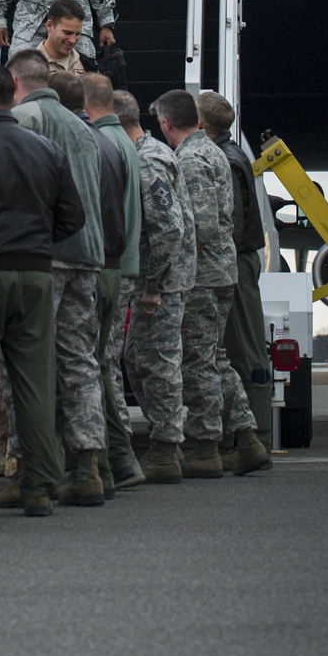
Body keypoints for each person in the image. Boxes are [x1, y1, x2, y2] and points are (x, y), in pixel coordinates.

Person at [0, 65, 84, 518]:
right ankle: (39, 485)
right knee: (35, 383)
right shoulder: (47, 149)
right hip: (36, 272)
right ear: (14, 95)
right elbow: (73, 218)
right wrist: (37, 242)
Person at [6, 49, 106, 508]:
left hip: (44, 256)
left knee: (26, 364)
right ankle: (87, 467)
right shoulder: (82, 127)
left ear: (15, 81)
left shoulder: (25, 118)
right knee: (79, 361)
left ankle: (29, 468)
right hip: (87, 256)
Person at [151, 90, 269, 479]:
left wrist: (168, 268)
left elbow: (197, 224)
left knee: (198, 361)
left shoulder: (191, 159)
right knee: (214, 357)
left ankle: (206, 448)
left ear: (167, 123)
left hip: (201, 275)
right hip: (219, 271)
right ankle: (247, 438)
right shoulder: (215, 151)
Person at [114, 89, 196, 485]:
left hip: (161, 284)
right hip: (158, 279)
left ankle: (165, 449)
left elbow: (168, 228)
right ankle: (169, 441)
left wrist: (153, 286)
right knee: (137, 358)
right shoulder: (146, 154)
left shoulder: (147, 161)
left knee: (158, 364)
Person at [80, 72, 144, 491]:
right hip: (123, 266)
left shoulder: (101, 144)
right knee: (103, 363)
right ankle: (118, 459)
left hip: (107, 265)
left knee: (98, 364)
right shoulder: (126, 144)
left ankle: (115, 458)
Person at [197, 91, 271, 453]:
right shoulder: (233, 153)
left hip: (236, 260)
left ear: (200, 124)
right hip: (241, 258)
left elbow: (231, 223)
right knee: (241, 346)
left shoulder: (224, 160)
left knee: (243, 349)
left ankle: (252, 438)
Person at [37, 0, 88, 75]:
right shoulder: (31, 67)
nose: (73, 40)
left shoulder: (87, 64)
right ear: (49, 25)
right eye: (67, 33)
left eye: (77, 34)